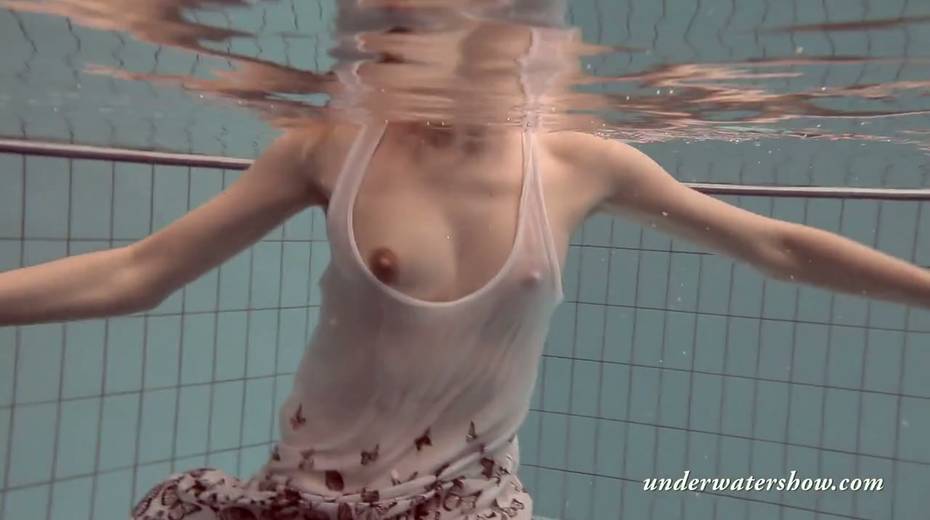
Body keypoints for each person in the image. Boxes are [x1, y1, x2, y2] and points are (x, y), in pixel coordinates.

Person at [1, 2, 929, 520]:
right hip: (301, 496)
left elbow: (776, 244)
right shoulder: (330, 150)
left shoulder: (581, 165)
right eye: (392, 25)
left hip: (465, 502)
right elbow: (140, 271)